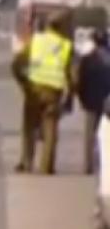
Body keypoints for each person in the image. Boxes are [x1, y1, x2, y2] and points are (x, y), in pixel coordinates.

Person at [15, 10, 76, 175]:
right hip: (53, 93)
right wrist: (70, 96)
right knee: (50, 131)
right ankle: (46, 167)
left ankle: (26, 162)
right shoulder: (66, 46)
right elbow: (73, 75)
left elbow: (17, 63)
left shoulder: (36, 41)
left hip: (33, 90)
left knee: (29, 127)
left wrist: (23, 83)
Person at [79, 29, 110, 174]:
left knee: (90, 136)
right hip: (106, 101)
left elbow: (81, 81)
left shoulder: (87, 59)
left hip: (91, 101)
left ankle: (88, 166)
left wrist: (82, 98)